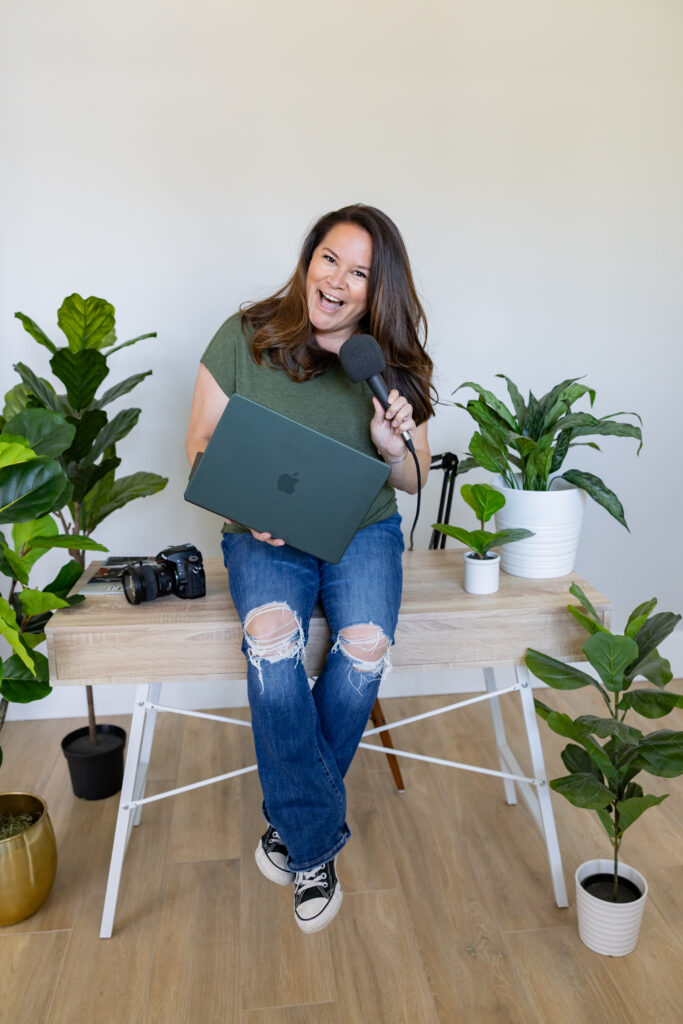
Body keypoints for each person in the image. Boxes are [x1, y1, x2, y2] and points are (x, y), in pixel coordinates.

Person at [185, 204, 435, 933]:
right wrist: (244, 497)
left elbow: (413, 480)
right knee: (271, 640)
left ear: (375, 288)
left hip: (360, 532)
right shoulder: (244, 335)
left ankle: (289, 830)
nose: (337, 280)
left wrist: (391, 445)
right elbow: (199, 445)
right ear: (307, 260)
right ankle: (314, 844)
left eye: (358, 272)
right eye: (329, 259)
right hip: (262, 536)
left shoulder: (387, 365)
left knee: (365, 647)